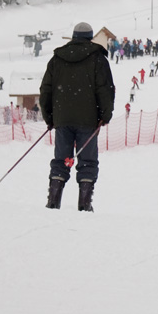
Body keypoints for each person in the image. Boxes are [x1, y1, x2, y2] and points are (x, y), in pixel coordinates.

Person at [40, 22, 115, 212]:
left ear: (73, 37)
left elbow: (45, 91)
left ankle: (53, 201)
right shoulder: (98, 59)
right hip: (88, 120)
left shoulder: (56, 59)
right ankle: (84, 204)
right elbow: (105, 89)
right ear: (90, 37)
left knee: (61, 160)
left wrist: (50, 118)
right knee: (87, 161)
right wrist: (105, 115)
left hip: (62, 119)